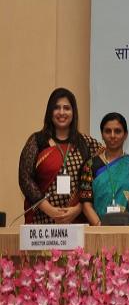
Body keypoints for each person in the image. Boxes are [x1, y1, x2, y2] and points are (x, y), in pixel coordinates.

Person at [18, 87, 101, 224]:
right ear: (50, 112)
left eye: (67, 108)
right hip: (43, 221)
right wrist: (49, 210)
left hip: (77, 221)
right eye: (56, 108)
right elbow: (25, 179)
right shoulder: (37, 141)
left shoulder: (86, 143)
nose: (62, 112)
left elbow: (99, 179)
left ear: (73, 112)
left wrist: (79, 208)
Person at [79, 112, 129, 226]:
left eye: (118, 131)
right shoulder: (90, 165)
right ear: (102, 134)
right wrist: (100, 227)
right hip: (98, 229)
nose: (112, 135)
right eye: (108, 131)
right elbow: (86, 204)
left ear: (125, 135)